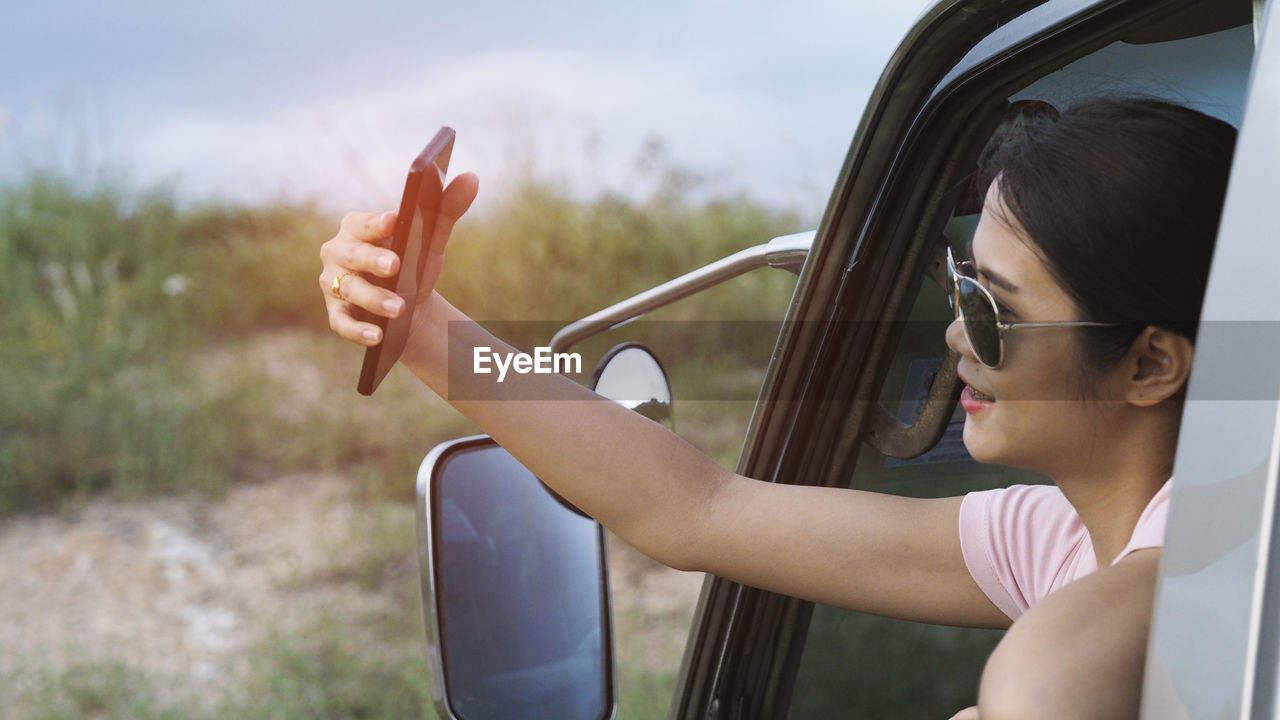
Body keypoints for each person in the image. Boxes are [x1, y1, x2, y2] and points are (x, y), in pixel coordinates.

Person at [318, 96, 1236, 719]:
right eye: (962, 285)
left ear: (1150, 362)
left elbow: (1047, 684)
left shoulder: (1201, 566)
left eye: (996, 311)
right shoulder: (1062, 539)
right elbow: (703, 511)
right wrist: (425, 327)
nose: (956, 336)